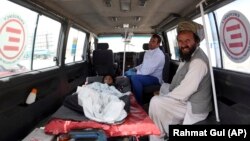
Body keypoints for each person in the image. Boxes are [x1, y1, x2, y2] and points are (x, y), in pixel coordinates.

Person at [149, 20, 213, 141]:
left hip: (194, 107)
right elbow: (177, 84)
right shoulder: (188, 57)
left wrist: (164, 96)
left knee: (155, 102)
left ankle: (158, 137)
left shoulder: (198, 62)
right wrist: (163, 90)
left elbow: (185, 90)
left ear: (196, 41)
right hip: (185, 100)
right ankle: (160, 133)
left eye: (187, 40)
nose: (183, 44)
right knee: (159, 95)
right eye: (180, 41)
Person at [125, 34, 165, 105]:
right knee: (126, 74)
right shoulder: (148, 52)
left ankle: (139, 103)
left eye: (153, 41)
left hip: (155, 78)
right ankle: (128, 97)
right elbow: (143, 65)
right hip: (147, 75)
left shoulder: (159, 55)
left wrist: (136, 72)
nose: (150, 42)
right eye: (150, 40)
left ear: (158, 44)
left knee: (135, 78)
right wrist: (134, 68)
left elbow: (148, 70)